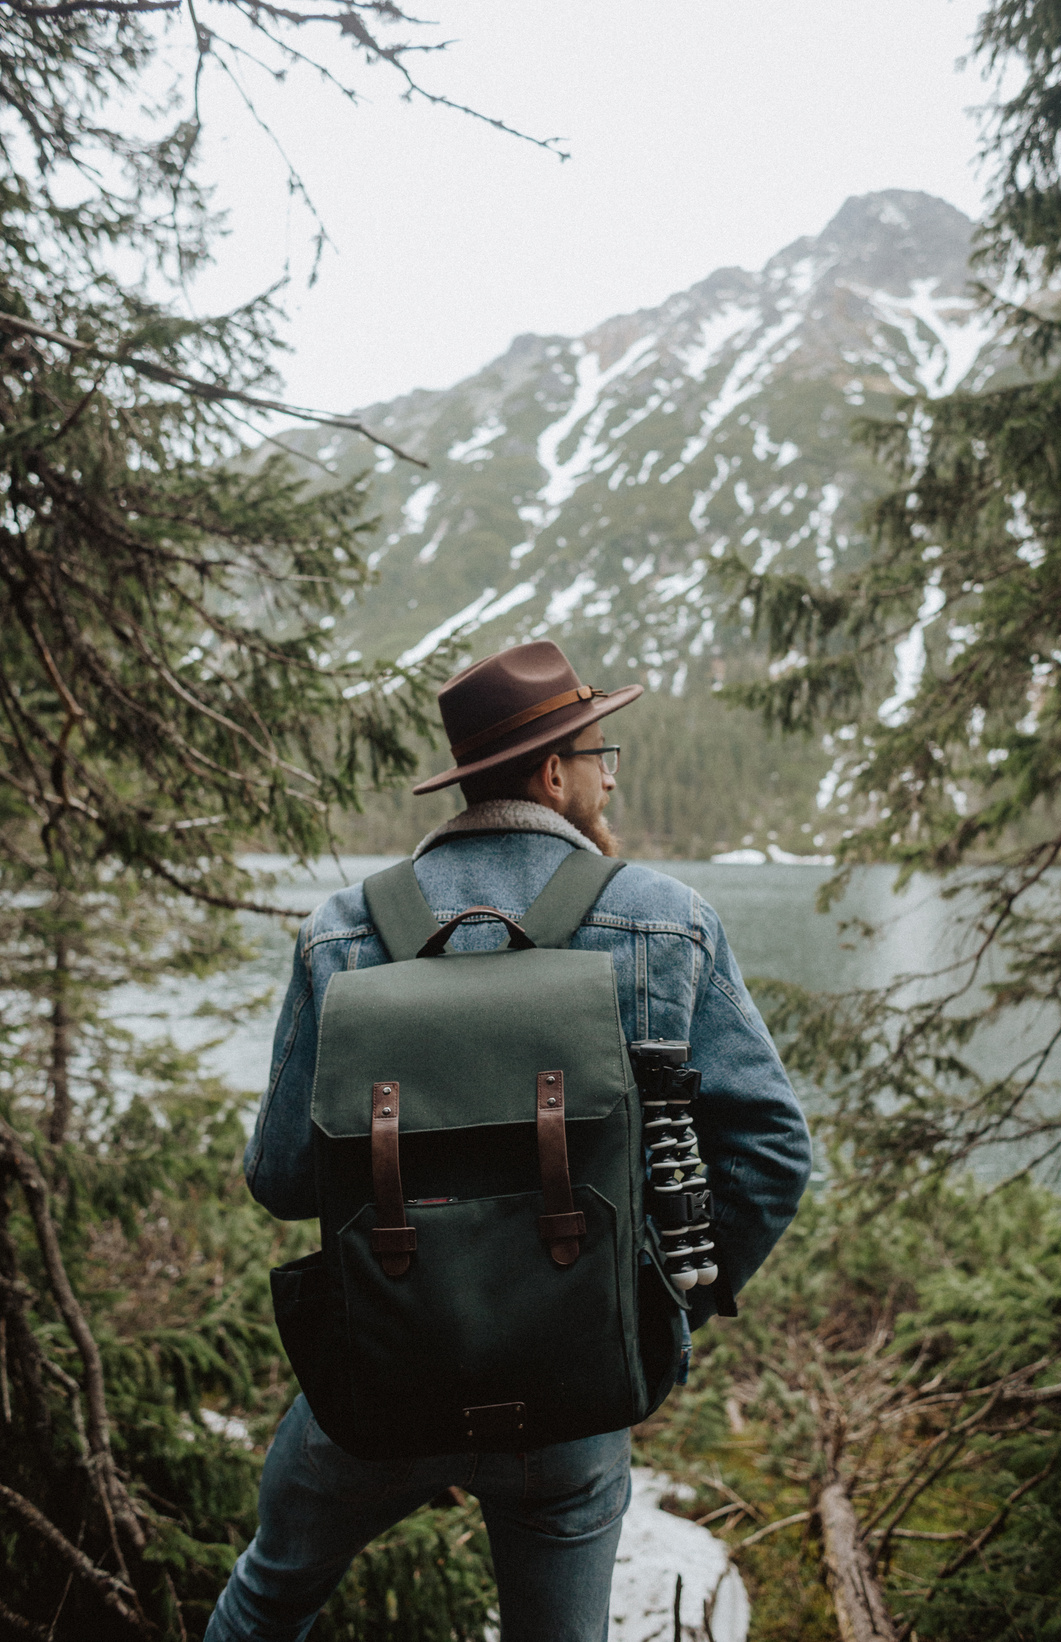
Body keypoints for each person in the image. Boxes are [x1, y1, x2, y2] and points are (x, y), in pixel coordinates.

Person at [205, 639, 811, 1642]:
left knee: (265, 1599)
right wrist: (651, 1307)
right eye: (599, 751)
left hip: (381, 1385)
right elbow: (773, 1154)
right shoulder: (666, 921)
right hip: (573, 1398)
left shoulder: (344, 931)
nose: (611, 772)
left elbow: (279, 1178)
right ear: (552, 772)